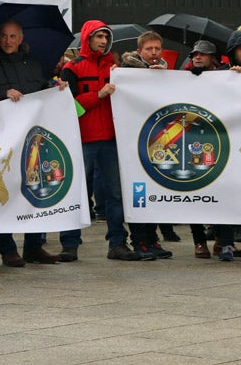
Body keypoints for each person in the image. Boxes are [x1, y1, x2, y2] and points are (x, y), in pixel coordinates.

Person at [0, 19, 64, 266]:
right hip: (1, 140)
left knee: (34, 190)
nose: (8, 41)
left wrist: (55, 87)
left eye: (13, 37)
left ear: (21, 39)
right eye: (3, 36)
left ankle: (33, 247)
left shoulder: (32, 64)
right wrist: (3, 94)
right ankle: (8, 249)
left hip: (31, 140)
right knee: (4, 193)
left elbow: (42, 90)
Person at [61, 20, 142, 261]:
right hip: (83, 140)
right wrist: (98, 95)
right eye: (99, 37)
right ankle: (69, 244)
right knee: (76, 194)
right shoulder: (72, 69)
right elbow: (70, 107)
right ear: (88, 38)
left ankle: (117, 243)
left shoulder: (115, 68)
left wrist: (155, 72)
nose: (104, 41)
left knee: (115, 195)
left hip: (110, 140)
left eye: (106, 37)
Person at [119, 31, 174, 259]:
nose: (154, 53)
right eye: (149, 49)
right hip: (132, 139)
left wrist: (164, 78)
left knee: (155, 188)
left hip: (157, 138)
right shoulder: (127, 71)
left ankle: (152, 239)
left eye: (157, 49)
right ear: (139, 50)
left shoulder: (164, 70)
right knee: (137, 190)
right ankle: (139, 239)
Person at [183, 40, 233, 261]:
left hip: (220, 140)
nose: (197, 57)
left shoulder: (228, 76)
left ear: (215, 58)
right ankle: (199, 241)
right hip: (193, 140)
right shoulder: (185, 76)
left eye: (203, 54)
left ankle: (222, 240)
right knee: (194, 192)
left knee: (221, 191)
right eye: (194, 54)